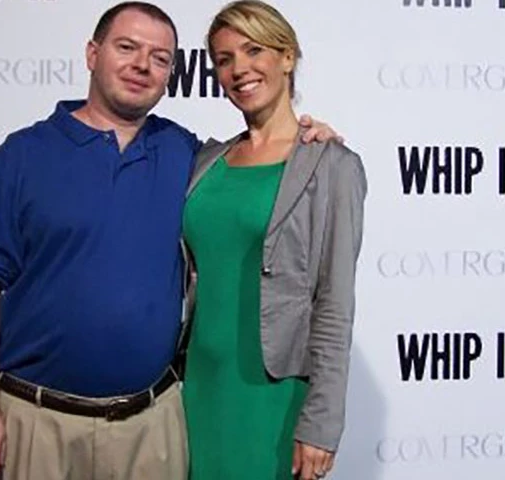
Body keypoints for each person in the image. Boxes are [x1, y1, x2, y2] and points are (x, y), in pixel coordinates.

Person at [0, 2, 340, 480]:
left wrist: (312, 139)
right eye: (127, 47)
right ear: (92, 54)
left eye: (160, 58)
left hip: (151, 425)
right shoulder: (24, 154)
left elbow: (257, 169)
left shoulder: (185, 154)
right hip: (38, 420)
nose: (142, 65)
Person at [180, 2, 367, 480]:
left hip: (274, 397)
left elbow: (334, 304)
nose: (239, 69)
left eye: (253, 50)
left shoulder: (332, 166)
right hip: (195, 390)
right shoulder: (204, 162)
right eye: (224, 59)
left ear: (287, 57)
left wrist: (322, 423)